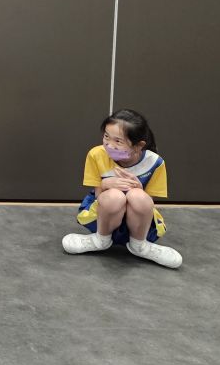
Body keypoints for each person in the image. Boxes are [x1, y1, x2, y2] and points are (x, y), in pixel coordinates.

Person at [61, 109, 182, 268]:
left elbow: (147, 204)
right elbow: (98, 195)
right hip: (105, 215)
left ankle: (139, 245)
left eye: (118, 141)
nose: (109, 144)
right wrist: (105, 184)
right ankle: (101, 239)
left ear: (138, 146)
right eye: (106, 136)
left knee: (138, 196)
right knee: (114, 196)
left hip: (138, 221)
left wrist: (139, 188)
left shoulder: (155, 162)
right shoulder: (96, 155)